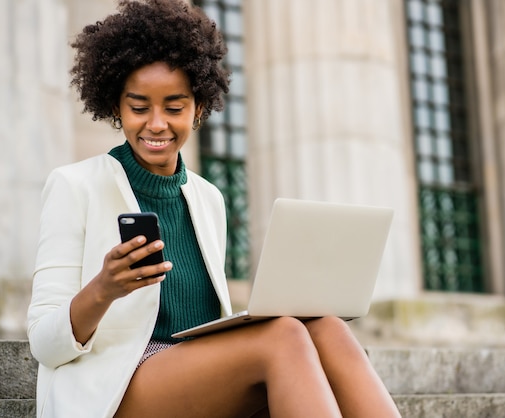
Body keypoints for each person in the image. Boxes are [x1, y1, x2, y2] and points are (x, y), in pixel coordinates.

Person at [26, 1, 402, 417]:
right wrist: (104, 289)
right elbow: (44, 342)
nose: (156, 124)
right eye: (138, 107)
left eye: (174, 107)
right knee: (283, 338)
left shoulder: (207, 198)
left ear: (198, 108)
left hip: (196, 370)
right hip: (114, 384)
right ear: (116, 107)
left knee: (327, 327)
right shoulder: (74, 186)